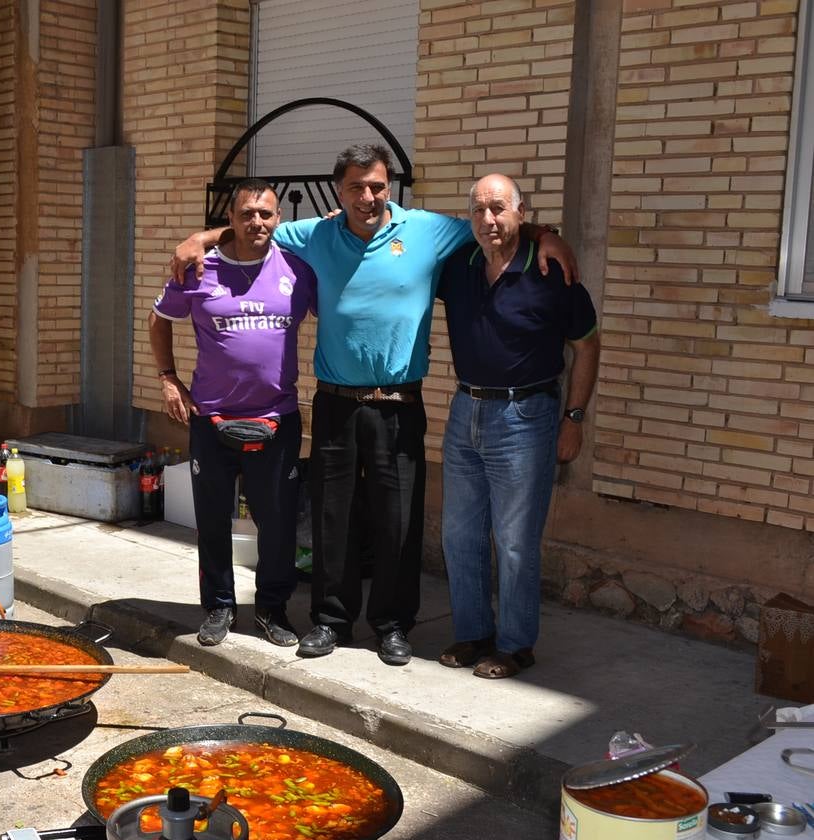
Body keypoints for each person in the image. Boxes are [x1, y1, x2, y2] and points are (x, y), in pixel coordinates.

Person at [171, 144, 577, 665]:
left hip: (399, 404)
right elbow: (256, 229)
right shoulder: (315, 233)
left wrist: (548, 236)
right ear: (338, 194)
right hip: (336, 403)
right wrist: (199, 237)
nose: (368, 197)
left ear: (391, 188)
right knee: (332, 517)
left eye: (378, 186)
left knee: (399, 522)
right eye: (356, 188)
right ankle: (331, 621)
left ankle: (392, 624)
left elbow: (496, 223)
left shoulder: (429, 230)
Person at [435, 174, 600, 679]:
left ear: (520, 212)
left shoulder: (552, 273)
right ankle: (473, 634)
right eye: (479, 210)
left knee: (513, 539)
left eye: (499, 209)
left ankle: (515, 644)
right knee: (459, 534)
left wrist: (574, 418)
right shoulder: (457, 268)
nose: (489, 219)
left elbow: (587, 345)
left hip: (527, 416)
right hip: (466, 410)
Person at [150, 178, 317, 647]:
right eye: (247, 214)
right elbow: (159, 320)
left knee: (278, 523)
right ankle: (219, 607)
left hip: (277, 420)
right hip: (212, 419)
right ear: (232, 220)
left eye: (266, 213)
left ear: (278, 219)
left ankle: (272, 609)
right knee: (214, 519)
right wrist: (168, 378)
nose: (257, 222)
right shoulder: (199, 269)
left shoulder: (299, 271)